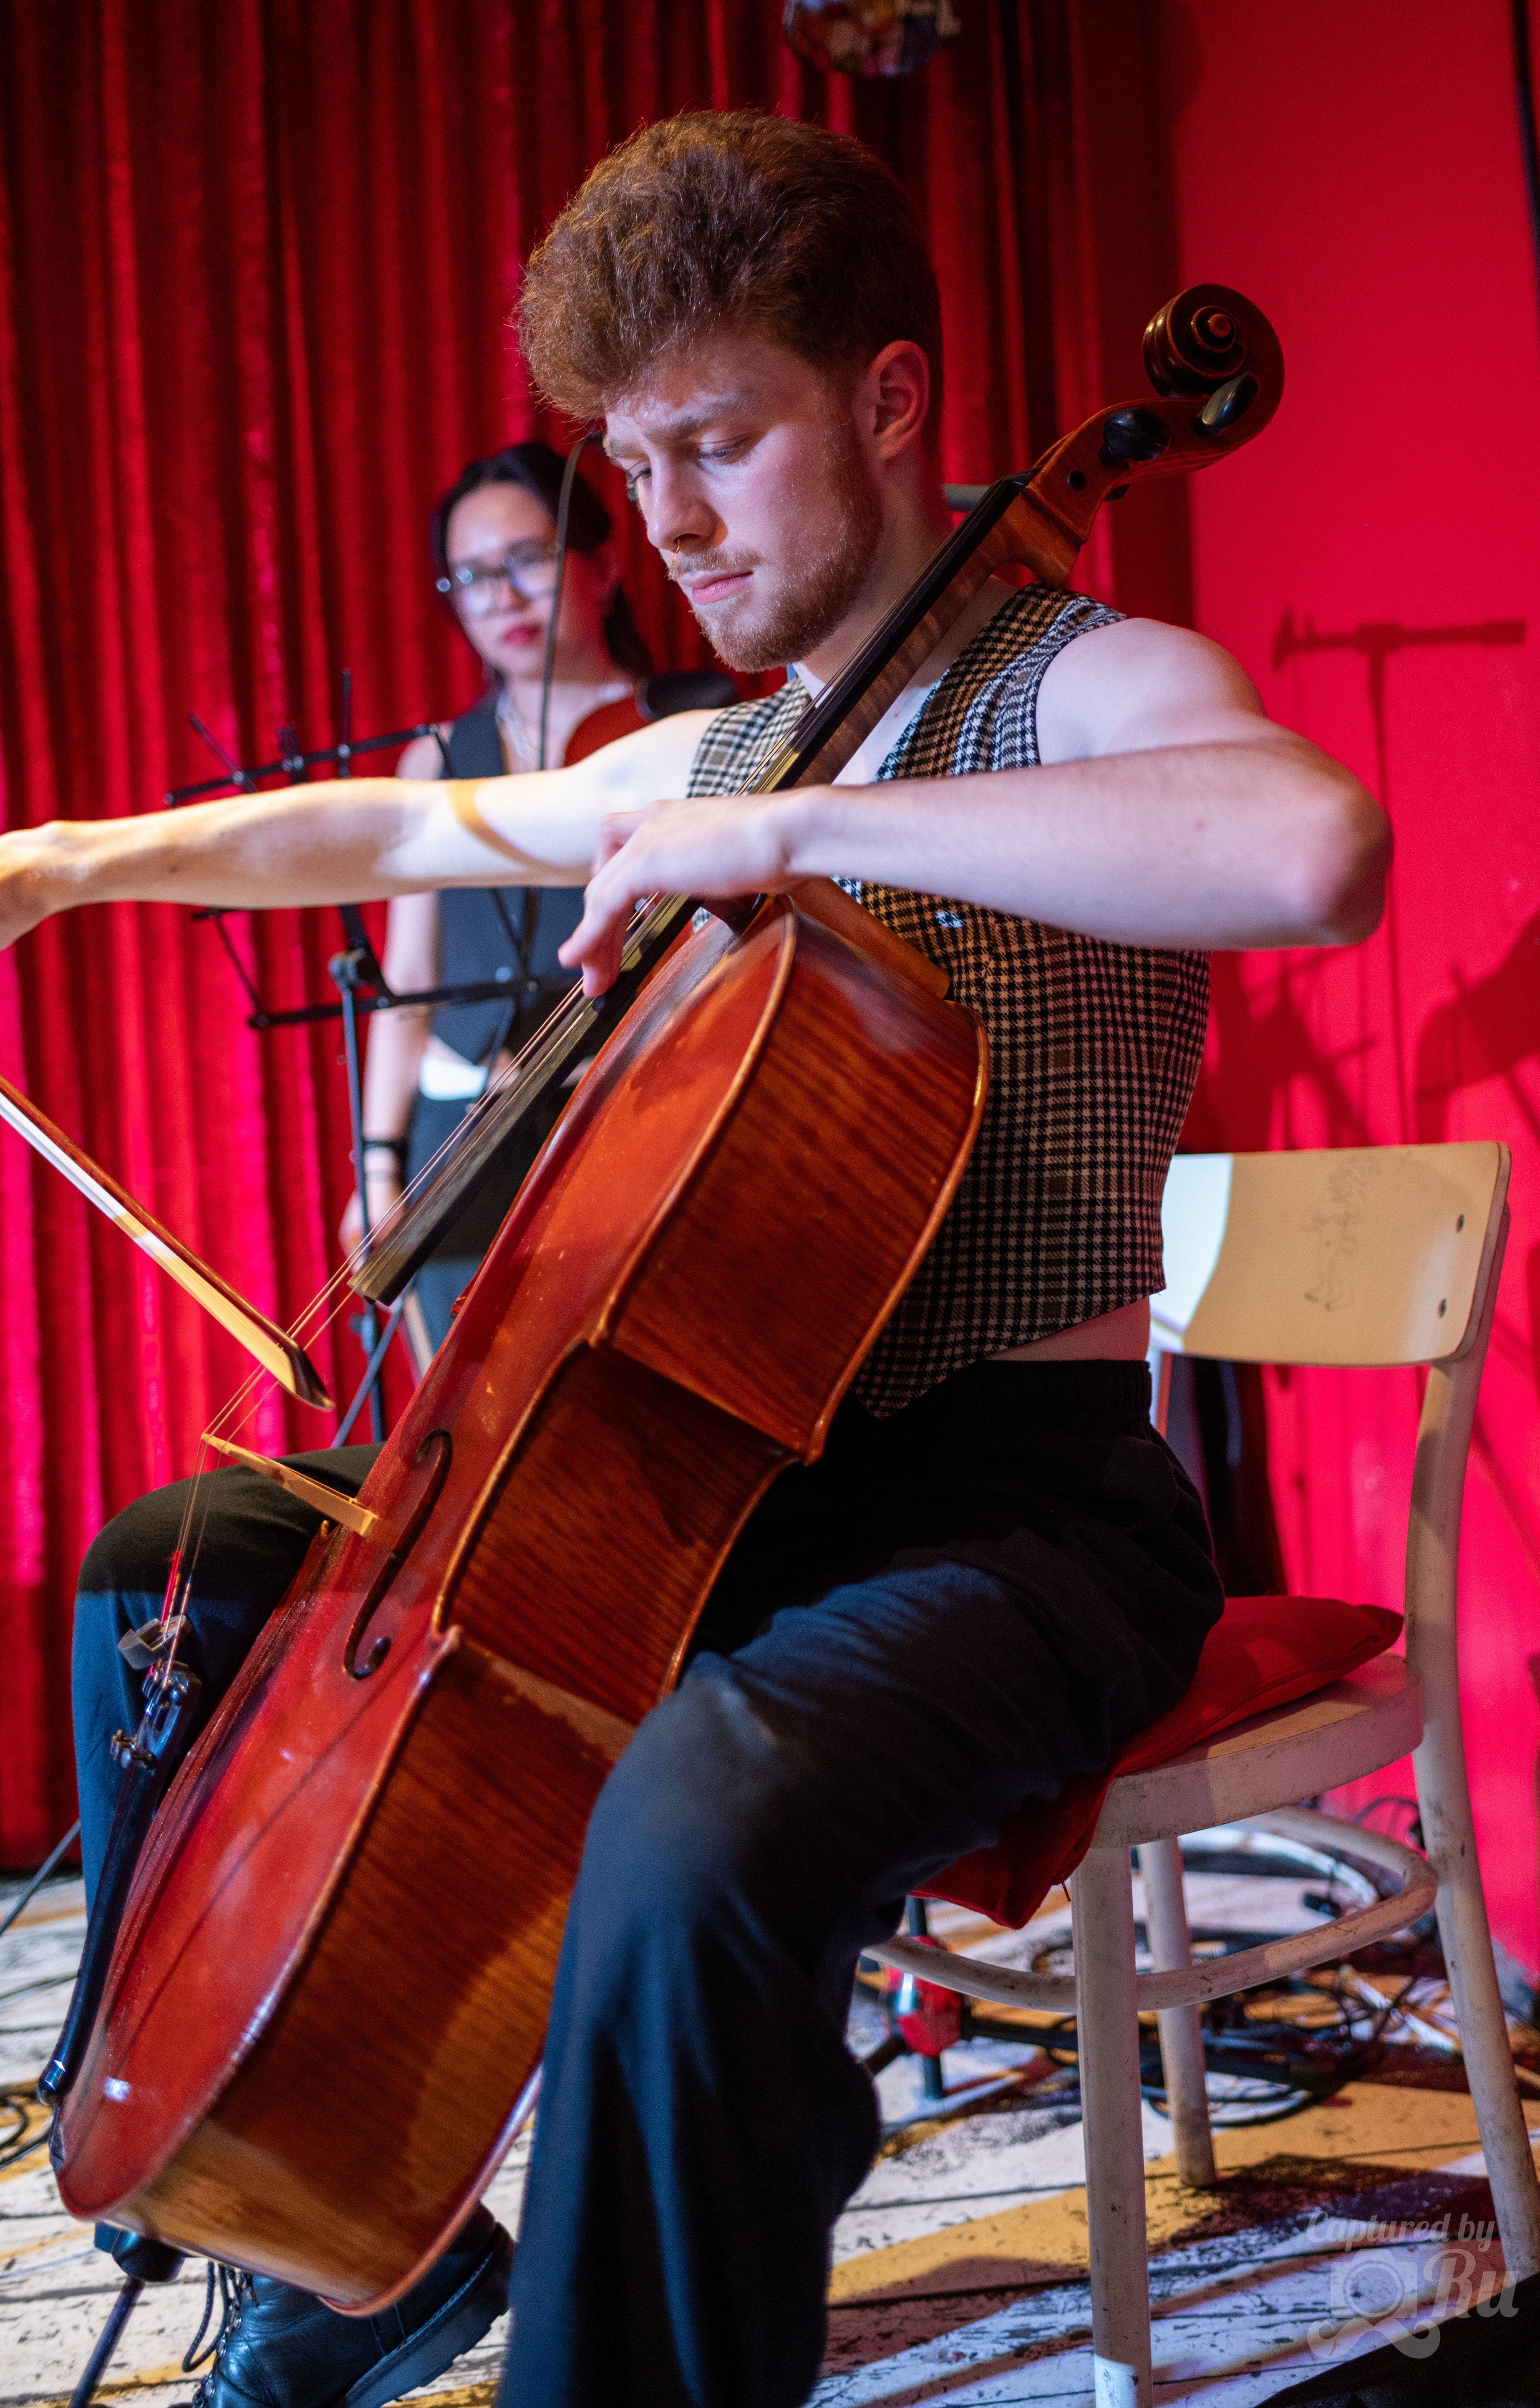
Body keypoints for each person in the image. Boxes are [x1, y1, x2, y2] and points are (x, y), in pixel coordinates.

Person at [5, 111, 1390, 2408]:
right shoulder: (696, 742)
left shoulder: (1085, 682)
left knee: (691, 1819)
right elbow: (389, 820)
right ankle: (328, 2240)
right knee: (184, 1567)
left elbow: (1310, 841)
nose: (662, 515)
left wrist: (796, 819)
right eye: (630, 461)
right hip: (713, 1504)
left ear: (890, 396)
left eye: (718, 440)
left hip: (1017, 1518)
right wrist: (68, 859)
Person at [345, 440, 732, 1354]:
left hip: (618, 1125)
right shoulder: (435, 762)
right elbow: (409, 990)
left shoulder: (684, 732)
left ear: (600, 565)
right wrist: (378, 1167)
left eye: (527, 560)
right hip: (459, 1135)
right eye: (472, 578)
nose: (502, 598)